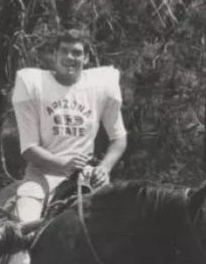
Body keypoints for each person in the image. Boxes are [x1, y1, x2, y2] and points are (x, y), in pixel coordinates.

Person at [10, 28, 128, 223]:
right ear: (54, 55)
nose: (69, 57)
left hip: (85, 176)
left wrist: (104, 168)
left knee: (120, 229)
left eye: (77, 52)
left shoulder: (100, 87)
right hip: (42, 175)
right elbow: (28, 148)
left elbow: (119, 138)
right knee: (24, 224)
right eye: (64, 51)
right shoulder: (34, 84)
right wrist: (63, 164)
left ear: (87, 58)